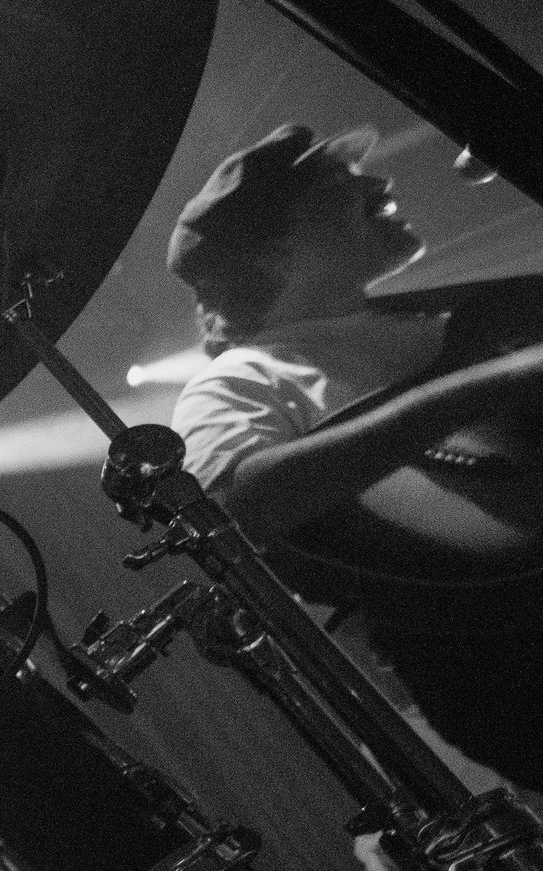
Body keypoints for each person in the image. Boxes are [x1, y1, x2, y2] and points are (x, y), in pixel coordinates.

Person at [166, 122, 543, 793]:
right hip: (507, 665)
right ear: (274, 251)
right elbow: (231, 511)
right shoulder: (245, 380)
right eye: (336, 182)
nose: (378, 181)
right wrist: (490, 385)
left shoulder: (446, 319)